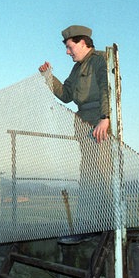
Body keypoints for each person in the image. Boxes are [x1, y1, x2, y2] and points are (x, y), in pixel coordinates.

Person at [38, 25, 113, 244]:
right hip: (84, 121)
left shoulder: (99, 61)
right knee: (88, 173)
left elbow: (107, 88)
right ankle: (92, 224)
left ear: (82, 42)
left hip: (98, 121)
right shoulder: (76, 69)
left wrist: (105, 118)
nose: (67, 52)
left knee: (100, 172)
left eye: (70, 47)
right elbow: (66, 95)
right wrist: (47, 76)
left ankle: (100, 225)